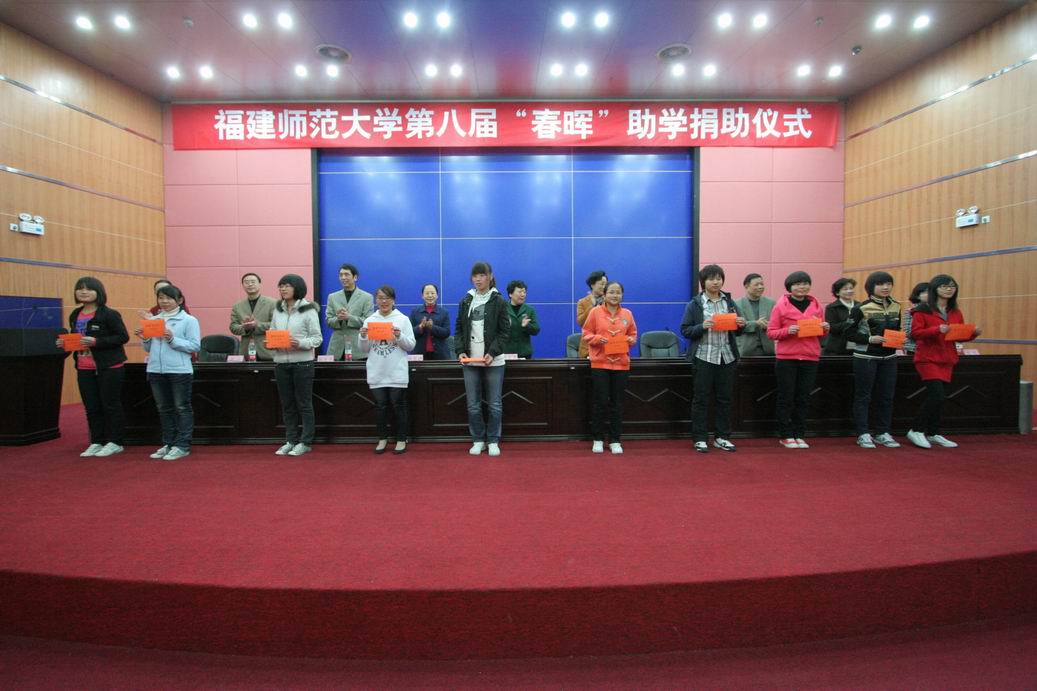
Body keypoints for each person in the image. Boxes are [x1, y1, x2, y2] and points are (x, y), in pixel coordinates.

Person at [58, 277, 129, 458]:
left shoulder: (109, 314)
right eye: (80, 288)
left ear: (98, 292)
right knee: (91, 406)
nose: (84, 292)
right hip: (84, 366)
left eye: (89, 289)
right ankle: (96, 441)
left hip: (109, 366)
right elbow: (76, 338)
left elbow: (122, 337)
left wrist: (97, 342)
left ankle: (115, 441)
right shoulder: (75, 314)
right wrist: (65, 343)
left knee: (110, 405)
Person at [907, 275, 981, 449]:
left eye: (952, 287)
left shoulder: (955, 312)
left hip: (947, 358)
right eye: (944, 286)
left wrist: (972, 334)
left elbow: (958, 336)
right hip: (927, 358)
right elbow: (915, 334)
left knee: (940, 398)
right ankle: (916, 430)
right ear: (935, 289)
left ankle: (934, 433)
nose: (949, 289)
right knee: (937, 394)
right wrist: (937, 329)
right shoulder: (922, 309)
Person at [681, 265, 746, 453]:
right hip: (704, 356)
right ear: (703, 282)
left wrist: (740, 324)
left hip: (727, 357)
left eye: (719, 278)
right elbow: (685, 330)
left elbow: (738, 331)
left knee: (725, 399)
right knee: (701, 399)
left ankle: (722, 437)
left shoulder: (730, 302)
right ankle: (700, 438)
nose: (716, 282)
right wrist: (702, 326)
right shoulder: (695, 304)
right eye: (711, 279)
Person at [767, 271, 830, 449]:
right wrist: (788, 331)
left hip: (810, 357)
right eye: (797, 284)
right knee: (786, 397)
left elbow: (821, 334)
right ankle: (785, 434)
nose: (802, 287)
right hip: (787, 358)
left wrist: (825, 328)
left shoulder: (816, 306)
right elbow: (771, 332)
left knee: (803, 397)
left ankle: (799, 433)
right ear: (790, 287)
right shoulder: (781, 306)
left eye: (805, 283)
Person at [137, 284, 200, 460]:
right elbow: (149, 348)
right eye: (161, 298)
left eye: (168, 298)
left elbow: (195, 346)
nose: (164, 301)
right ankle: (169, 443)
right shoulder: (154, 320)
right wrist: (145, 338)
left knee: (181, 407)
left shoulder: (189, 320)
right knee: (163, 408)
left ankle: (183, 445)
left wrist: (172, 339)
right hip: (155, 369)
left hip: (179, 370)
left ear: (179, 300)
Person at [455, 261, 511, 457]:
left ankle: (493, 440)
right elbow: (459, 329)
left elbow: (504, 332)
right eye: (475, 276)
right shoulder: (466, 301)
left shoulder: (499, 300)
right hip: (470, 361)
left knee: (494, 403)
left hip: (493, 361)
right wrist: (460, 350)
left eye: (482, 275)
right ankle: (478, 439)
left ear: (490, 277)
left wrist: (493, 352)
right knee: (473, 404)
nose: (478, 279)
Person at [268, 274, 323, 457]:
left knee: (304, 404)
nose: (283, 289)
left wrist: (300, 343)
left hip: (302, 363)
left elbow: (317, 338)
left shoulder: (308, 310)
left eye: (287, 286)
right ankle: (291, 440)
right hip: (281, 363)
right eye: (281, 286)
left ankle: (305, 442)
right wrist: (270, 342)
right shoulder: (278, 309)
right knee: (287, 404)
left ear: (297, 287)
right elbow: (273, 331)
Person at [848, 271, 903, 449]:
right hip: (866, 357)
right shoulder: (861, 308)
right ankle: (863, 433)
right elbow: (848, 334)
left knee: (886, 396)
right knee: (863, 396)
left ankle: (883, 432)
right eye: (880, 284)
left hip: (890, 357)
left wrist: (901, 339)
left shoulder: (897, 306)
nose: (885, 287)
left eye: (888, 284)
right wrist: (870, 339)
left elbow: (897, 329)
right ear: (871, 287)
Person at [360, 286, 417, 454]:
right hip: (377, 370)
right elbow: (363, 349)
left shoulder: (402, 319)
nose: (383, 301)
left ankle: (401, 439)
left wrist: (399, 336)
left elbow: (411, 345)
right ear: (376, 300)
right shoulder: (370, 320)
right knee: (380, 407)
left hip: (396, 370)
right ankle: (382, 438)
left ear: (393, 300)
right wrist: (362, 336)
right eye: (380, 298)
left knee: (399, 406)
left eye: (387, 298)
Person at [583, 281, 637, 455]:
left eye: (618, 292)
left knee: (617, 403)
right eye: (612, 292)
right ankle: (598, 438)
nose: (615, 295)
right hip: (600, 363)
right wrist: (597, 339)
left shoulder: (627, 314)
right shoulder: (595, 312)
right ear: (605, 294)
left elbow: (633, 334)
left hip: (621, 364)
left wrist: (631, 340)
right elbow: (586, 334)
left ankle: (615, 440)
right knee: (600, 402)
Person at [325, 263, 373, 361]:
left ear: (355, 277)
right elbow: (328, 321)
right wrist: (338, 319)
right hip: (336, 348)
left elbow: (368, 322)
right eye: (341, 275)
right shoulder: (332, 297)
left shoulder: (367, 297)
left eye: (346, 274)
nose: (343, 277)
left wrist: (349, 317)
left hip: (358, 348)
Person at [229, 272, 277, 360]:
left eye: (253, 282)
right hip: (246, 352)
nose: (250, 284)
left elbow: (276, 325)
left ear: (260, 284)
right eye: (246, 282)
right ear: (243, 285)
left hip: (267, 352)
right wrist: (245, 328)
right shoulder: (237, 306)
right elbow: (233, 327)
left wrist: (256, 325)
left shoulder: (272, 303)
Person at [734, 273, 775, 356]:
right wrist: (756, 323)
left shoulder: (771, 303)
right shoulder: (736, 304)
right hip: (745, 350)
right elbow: (735, 326)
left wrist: (769, 325)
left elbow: (777, 323)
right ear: (746, 286)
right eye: (757, 285)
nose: (760, 287)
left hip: (768, 349)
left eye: (762, 284)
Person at [409, 284, 451, 360]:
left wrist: (432, 327)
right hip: (419, 354)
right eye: (427, 293)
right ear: (422, 296)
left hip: (440, 355)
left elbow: (446, 332)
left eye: (432, 293)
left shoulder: (444, 312)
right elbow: (409, 333)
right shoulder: (415, 312)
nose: (430, 295)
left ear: (437, 295)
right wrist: (420, 327)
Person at [503, 280, 541, 358]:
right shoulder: (502, 309)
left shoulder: (529, 310)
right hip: (506, 352)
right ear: (510, 294)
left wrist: (527, 326)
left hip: (524, 353)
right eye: (520, 292)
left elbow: (536, 330)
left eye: (524, 292)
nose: (523, 295)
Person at [823, 278, 861, 356]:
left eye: (851, 288)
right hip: (837, 348)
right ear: (837, 293)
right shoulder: (832, 307)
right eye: (845, 289)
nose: (849, 291)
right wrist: (850, 322)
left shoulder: (860, 305)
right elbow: (832, 328)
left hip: (857, 346)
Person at [575, 270, 608, 359]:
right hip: (588, 348)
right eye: (602, 284)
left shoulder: (610, 302)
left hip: (607, 346)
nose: (604, 287)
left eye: (606, 284)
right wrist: (592, 306)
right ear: (592, 285)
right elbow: (581, 323)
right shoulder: (582, 302)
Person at [902, 282, 929, 354]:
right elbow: (908, 332)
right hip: (914, 348)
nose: (929, 294)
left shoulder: (938, 311)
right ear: (917, 296)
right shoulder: (910, 311)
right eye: (925, 292)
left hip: (934, 349)